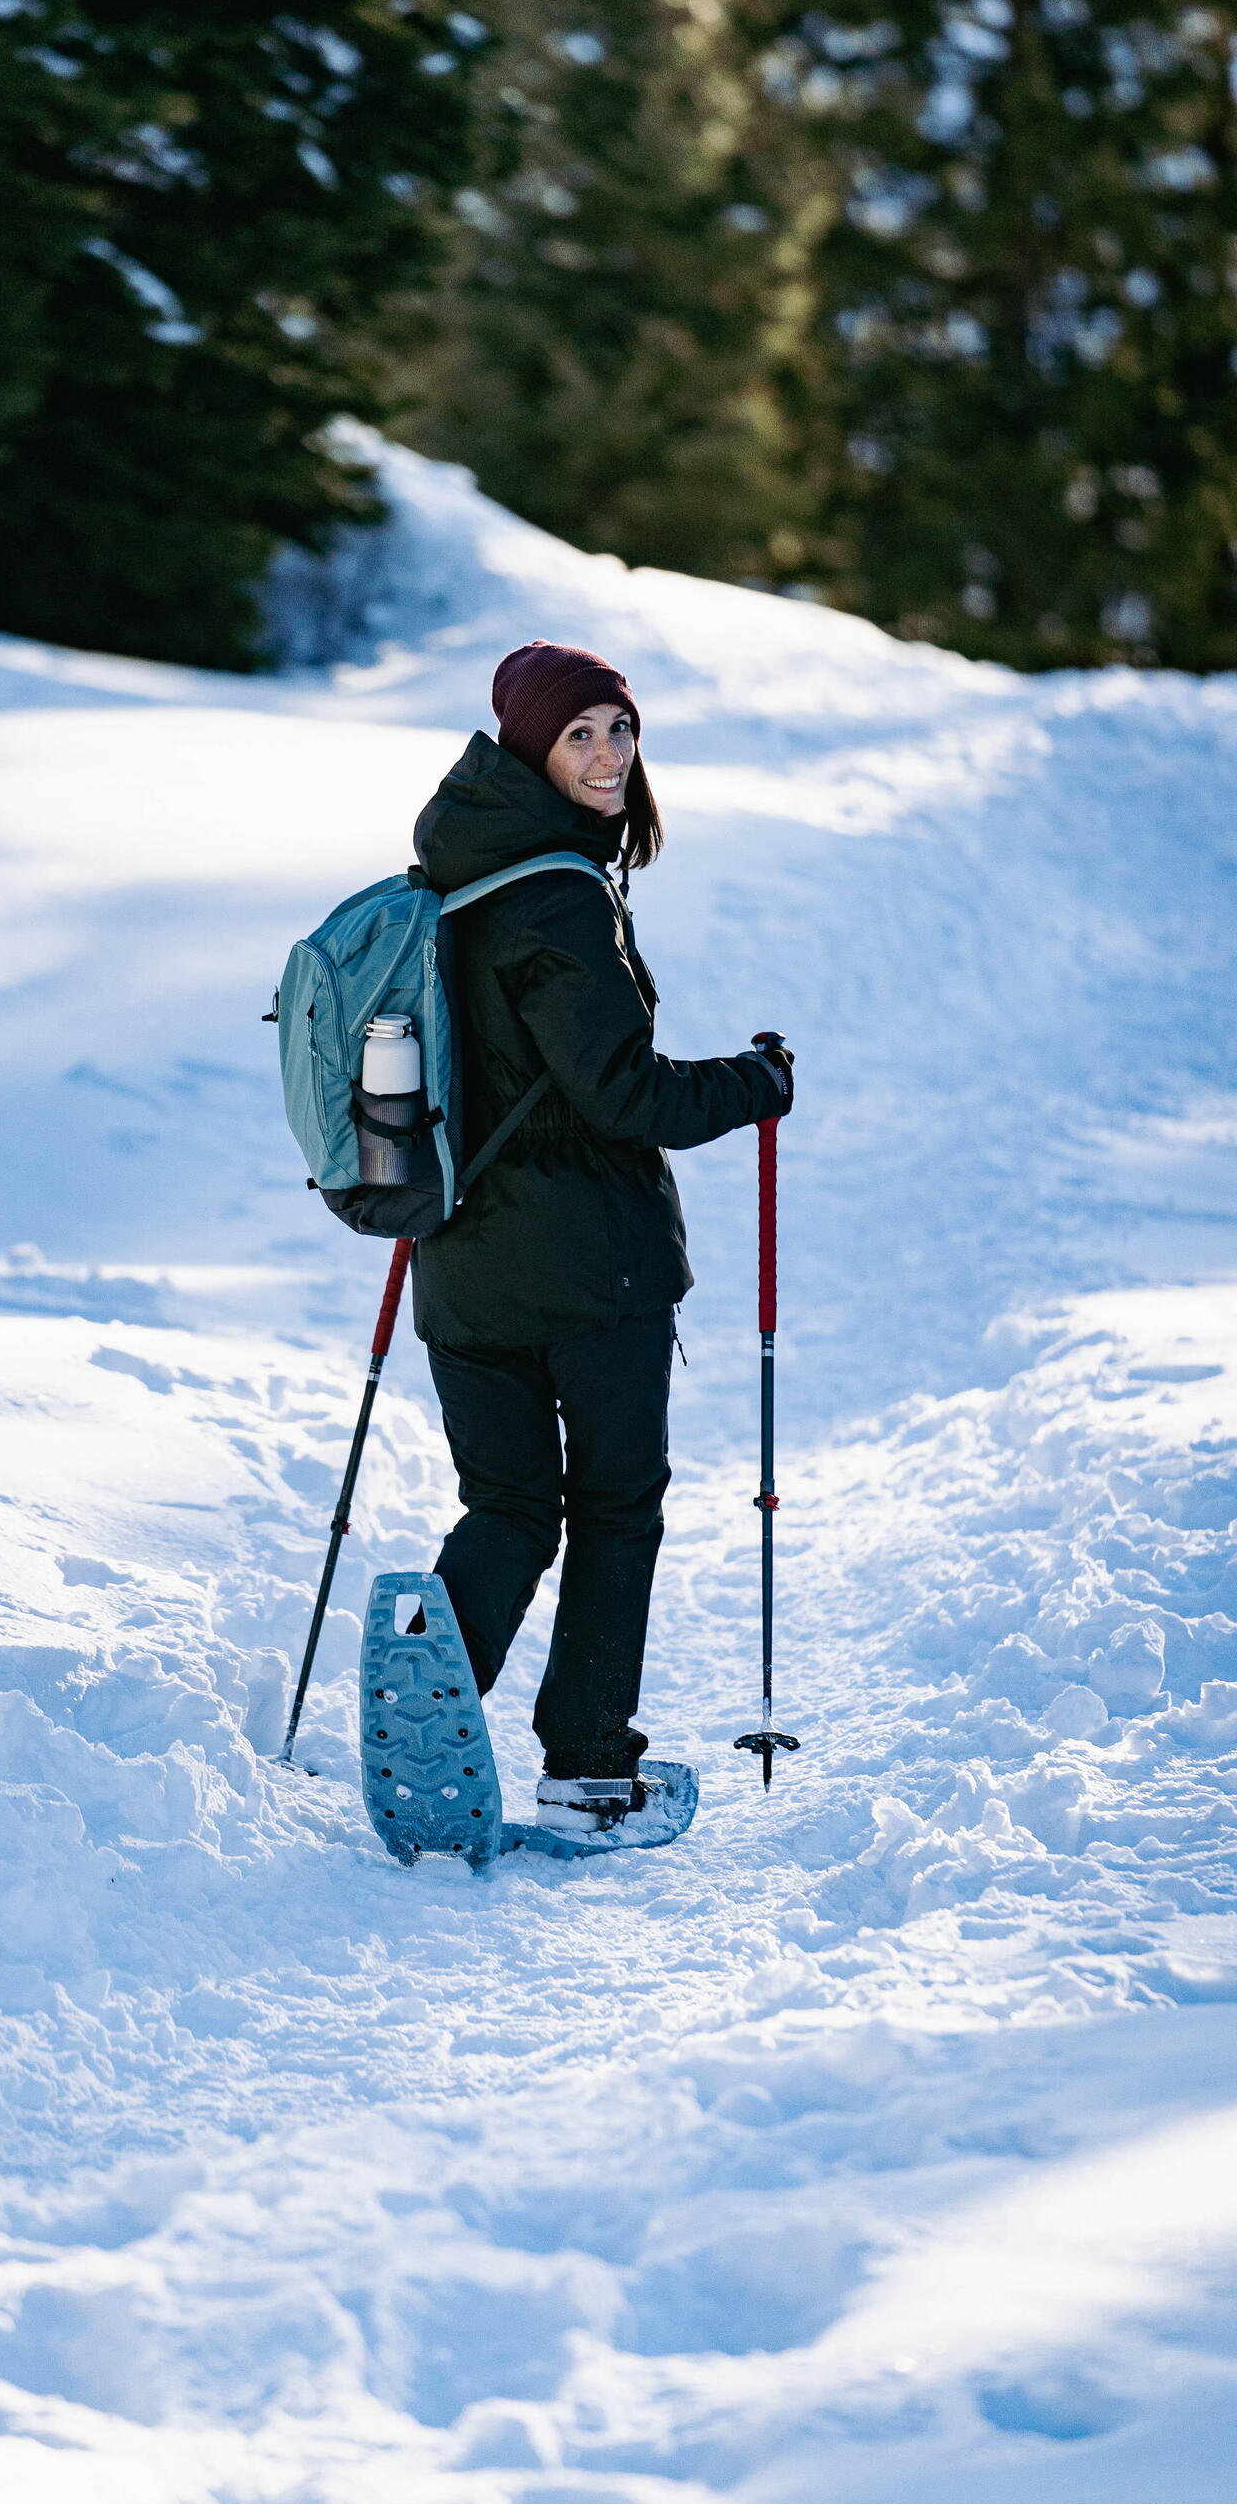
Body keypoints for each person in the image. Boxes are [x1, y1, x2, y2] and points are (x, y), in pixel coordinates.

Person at [411, 639, 792, 1834]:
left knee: (509, 1506)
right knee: (616, 1506)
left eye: (620, 728)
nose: (609, 754)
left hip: (460, 1267)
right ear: (532, 750)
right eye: (579, 734)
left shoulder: (449, 878)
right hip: (591, 1270)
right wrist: (757, 1083)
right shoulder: (560, 895)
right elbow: (625, 1096)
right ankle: (586, 1767)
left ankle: (422, 1694)